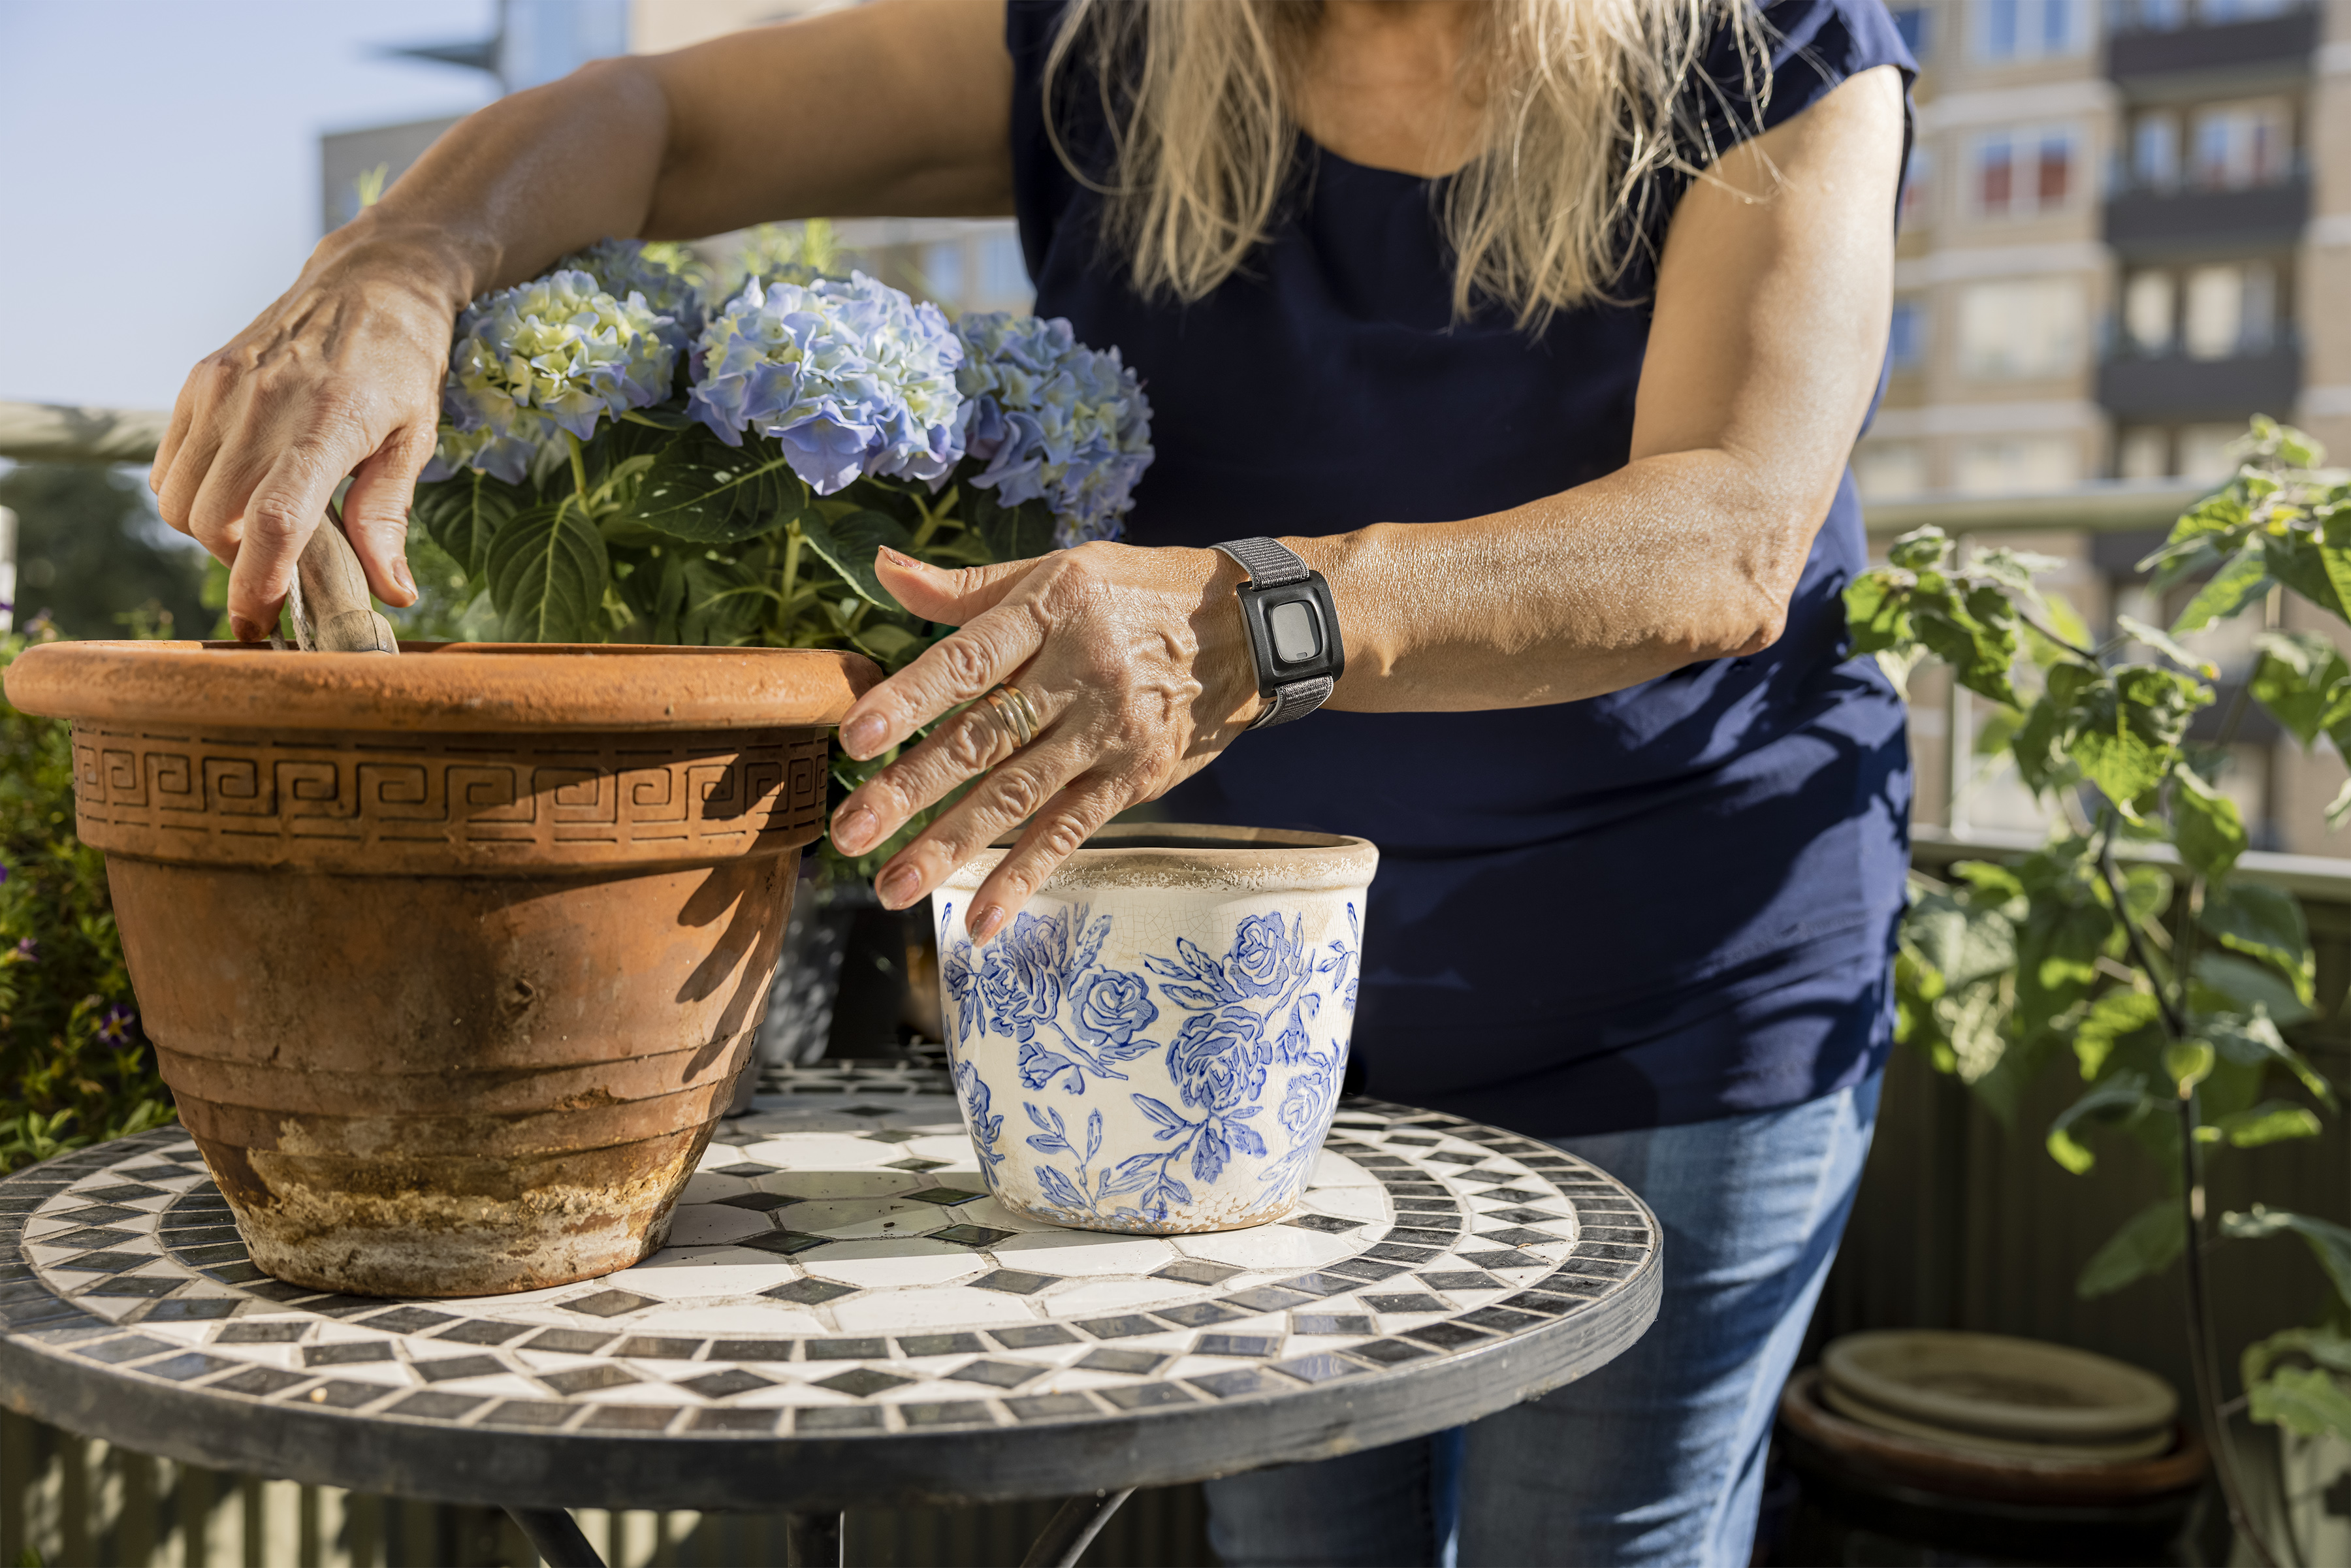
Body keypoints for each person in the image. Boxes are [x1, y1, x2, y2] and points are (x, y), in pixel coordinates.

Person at [150, 1, 1913, 1560]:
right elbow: (657, 118)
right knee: (1296, 1543)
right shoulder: (1108, 42)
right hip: (1220, 1003)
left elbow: (1730, 533)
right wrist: (407, 262)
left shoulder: (1772, 40)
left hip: (1666, 994)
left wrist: (1260, 619)